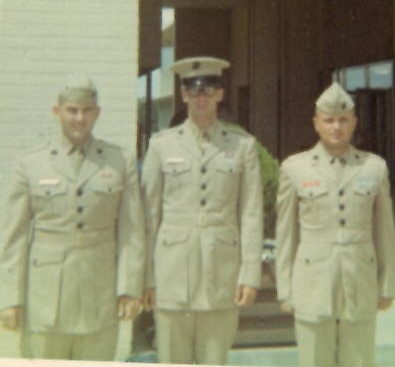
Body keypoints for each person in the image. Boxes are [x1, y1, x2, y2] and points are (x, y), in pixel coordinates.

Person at [0, 74, 146, 361]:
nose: (80, 119)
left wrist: (129, 288)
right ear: (58, 112)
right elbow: (12, 236)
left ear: (97, 113)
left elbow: (132, 231)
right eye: (72, 110)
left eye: (87, 111)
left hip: (99, 299)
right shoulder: (31, 162)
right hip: (44, 301)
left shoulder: (119, 161)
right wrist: (9, 298)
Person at [141, 56, 263, 365]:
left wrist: (250, 274)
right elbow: (148, 215)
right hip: (171, 276)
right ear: (183, 95)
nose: (201, 97)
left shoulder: (243, 145)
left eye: (209, 89)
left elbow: (250, 213)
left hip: (221, 276)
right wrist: (146, 278)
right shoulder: (161, 145)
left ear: (221, 94)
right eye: (193, 90)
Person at [275, 81, 395, 367]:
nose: (336, 127)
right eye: (329, 120)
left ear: (354, 122)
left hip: (360, 283)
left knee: (360, 361)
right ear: (316, 124)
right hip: (312, 284)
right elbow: (285, 234)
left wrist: (387, 285)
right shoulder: (295, 168)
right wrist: (285, 288)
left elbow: (385, 231)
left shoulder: (373, 167)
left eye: (343, 120)